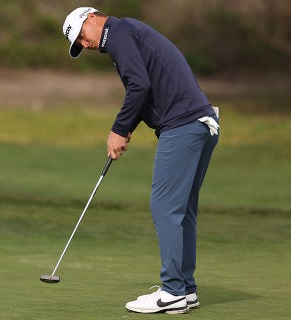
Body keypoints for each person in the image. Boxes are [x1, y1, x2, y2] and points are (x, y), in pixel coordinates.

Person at [61, 7, 220, 314]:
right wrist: (129, 127)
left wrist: (118, 129)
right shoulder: (128, 33)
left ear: (92, 17)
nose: (84, 43)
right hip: (201, 123)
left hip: (183, 126)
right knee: (182, 210)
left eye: (81, 35)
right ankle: (185, 290)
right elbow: (146, 90)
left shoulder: (118, 32)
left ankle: (172, 291)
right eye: (78, 44)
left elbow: (139, 85)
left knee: (165, 207)